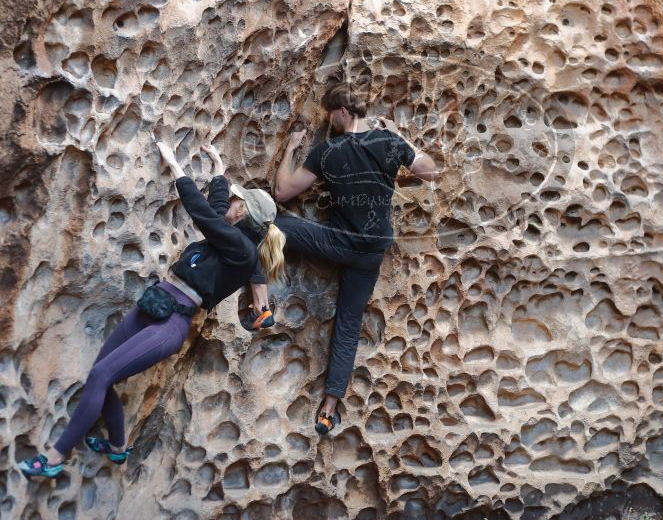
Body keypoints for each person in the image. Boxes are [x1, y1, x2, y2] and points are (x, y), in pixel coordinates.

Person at [17, 140, 285, 479]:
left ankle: (54, 457)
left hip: (170, 324)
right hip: (153, 304)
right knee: (101, 375)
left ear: (243, 211)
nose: (231, 202)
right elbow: (216, 207)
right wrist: (217, 167)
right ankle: (117, 449)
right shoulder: (228, 235)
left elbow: (202, 213)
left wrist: (174, 163)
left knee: (100, 376)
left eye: (236, 201)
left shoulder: (243, 251)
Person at [259, 82, 439, 434]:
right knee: (348, 324)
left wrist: (292, 149)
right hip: (371, 253)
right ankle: (328, 409)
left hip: (337, 244)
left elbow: (281, 192)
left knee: (269, 225)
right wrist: (403, 138)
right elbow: (431, 173)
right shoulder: (389, 143)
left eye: (330, 113)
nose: (330, 120)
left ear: (341, 111)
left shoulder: (327, 151)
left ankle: (260, 302)